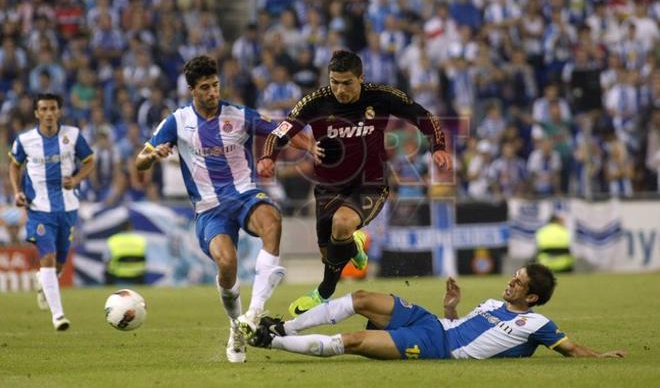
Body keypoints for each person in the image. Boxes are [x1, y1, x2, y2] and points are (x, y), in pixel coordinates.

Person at [134, 55, 317, 363]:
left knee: (272, 221)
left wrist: (310, 146)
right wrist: (152, 156)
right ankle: (236, 327)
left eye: (216, 85)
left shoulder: (240, 115)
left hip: (245, 195)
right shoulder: (177, 121)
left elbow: (281, 129)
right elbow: (140, 159)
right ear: (192, 90)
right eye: (205, 87)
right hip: (209, 209)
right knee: (227, 262)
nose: (212, 92)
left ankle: (254, 312)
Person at [258, 50, 452, 316]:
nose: (339, 89)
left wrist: (438, 146)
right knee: (331, 254)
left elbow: (424, 116)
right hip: (328, 188)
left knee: (342, 223)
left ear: (361, 77)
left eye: (346, 82)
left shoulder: (381, 96)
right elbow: (282, 130)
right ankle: (355, 246)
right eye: (334, 81)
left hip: (371, 183)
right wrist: (268, 156)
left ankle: (323, 292)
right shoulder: (315, 102)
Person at [248, 264, 626, 360]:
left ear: (533, 299)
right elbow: (465, 324)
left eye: (519, 283)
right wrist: (450, 308)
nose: (510, 283)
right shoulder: (494, 304)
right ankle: (285, 325)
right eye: (514, 277)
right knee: (362, 296)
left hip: (437, 346)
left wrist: (601, 357)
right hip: (434, 322)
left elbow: (571, 350)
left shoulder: (536, 323)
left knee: (356, 341)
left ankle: (273, 342)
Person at [8, 93, 95, 331]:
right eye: (43, 109)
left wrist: (76, 179)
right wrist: (17, 192)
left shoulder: (73, 135)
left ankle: (43, 281)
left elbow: (89, 161)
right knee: (47, 256)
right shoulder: (25, 140)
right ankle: (58, 316)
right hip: (39, 209)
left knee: (59, 263)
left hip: (68, 207)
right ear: (37, 113)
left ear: (59, 111)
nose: (48, 113)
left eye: (52, 108)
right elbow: (14, 166)